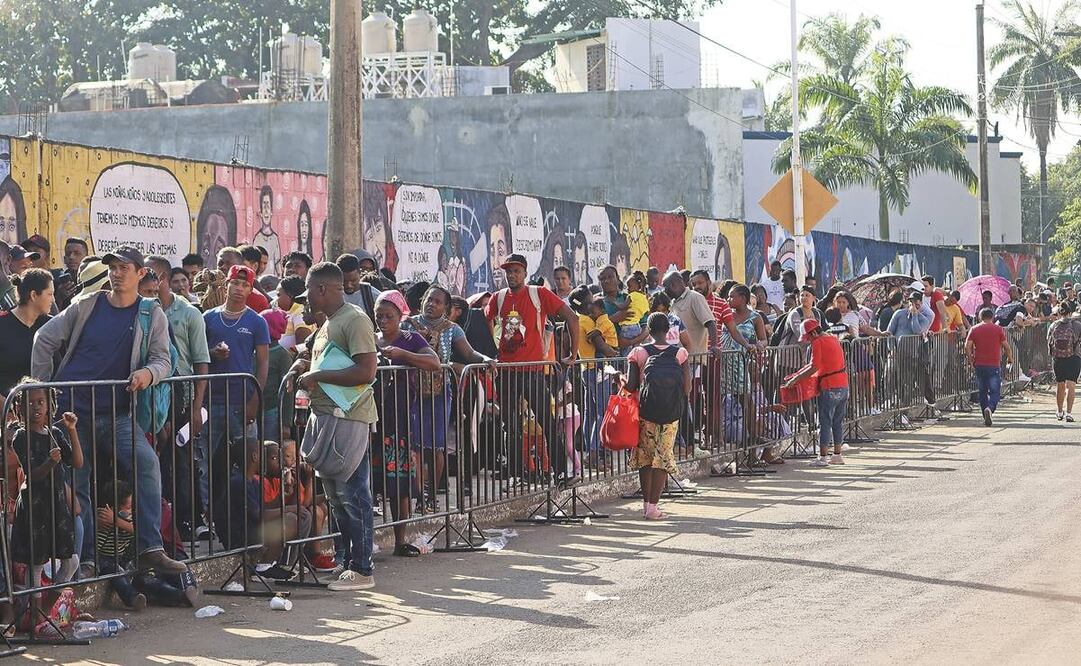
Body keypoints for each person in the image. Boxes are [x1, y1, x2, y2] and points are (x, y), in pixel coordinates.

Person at [31, 245, 185, 575]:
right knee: (79, 483)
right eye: (112, 267)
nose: (116, 273)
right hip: (72, 414)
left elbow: (164, 361)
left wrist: (147, 374)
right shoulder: (87, 305)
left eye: (124, 268)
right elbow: (44, 338)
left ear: (140, 273)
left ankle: (150, 548)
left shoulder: (150, 312)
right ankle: (85, 560)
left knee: (147, 465)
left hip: (118, 413)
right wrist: (42, 388)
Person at [293, 262, 378, 590]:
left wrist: (317, 375)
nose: (307, 300)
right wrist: (305, 365)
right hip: (327, 416)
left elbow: (366, 371)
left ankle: (362, 568)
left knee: (354, 494)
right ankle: (346, 561)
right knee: (336, 497)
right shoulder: (328, 323)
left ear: (323, 289)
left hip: (350, 417)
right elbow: (326, 361)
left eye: (310, 292)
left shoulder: (354, 319)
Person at [484, 253, 579, 487]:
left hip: (534, 370)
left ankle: (560, 473)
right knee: (510, 424)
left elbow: (571, 317)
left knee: (547, 421)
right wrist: (494, 348)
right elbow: (487, 317)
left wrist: (573, 353)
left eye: (516, 271)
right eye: (508, 271)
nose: (512, 275)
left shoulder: (538, 294)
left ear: (525, 273)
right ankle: (517, 474)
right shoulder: (499, 297)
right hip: (507, 371)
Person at [196, 264, 269, 543]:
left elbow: (262, 364)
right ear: (225, 285)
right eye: (234, 284)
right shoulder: (208, 318)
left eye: (245, 285)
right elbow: (199, 356)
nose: (239, 289)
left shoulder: (256, 322)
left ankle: (248, 516)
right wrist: (214, 354)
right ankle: (205, 516)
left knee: (248, 461)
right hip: (211, 401)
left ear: (251, 289)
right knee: (204, 461)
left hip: (242, 402)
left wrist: (255, 400)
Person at [405, 285, 492, 509]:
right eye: (429, 299)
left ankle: (432, 495)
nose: (431, 304)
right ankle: (418, 497)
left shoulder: (452, 329)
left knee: (436, 446)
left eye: (437, 301)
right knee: (413, 446)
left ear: (445, 308)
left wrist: (486, 360)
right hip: (410, 391)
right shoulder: (407, 324)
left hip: (439, 392)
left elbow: (470, 353)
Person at [9, 382, 83, 587]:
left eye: (40, 402)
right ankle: (34, 611)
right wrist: (50, 462)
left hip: (56, 505)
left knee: (71, 560)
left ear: (49, 404)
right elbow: (31, 476)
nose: (36, 407)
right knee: (37, 564)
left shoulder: (55, 433)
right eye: (30, 403)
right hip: (35, 506)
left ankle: (51, 602)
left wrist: (72, 430)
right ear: (20, 407)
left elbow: (77, 462)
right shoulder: (21, 436)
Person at [624, 313, 690, 520]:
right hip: (670, 414)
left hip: (646, 413)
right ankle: (654, 507)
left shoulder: (638, 352)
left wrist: (617, 380)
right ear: (668, 329)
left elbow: (631, 386)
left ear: (649, 330)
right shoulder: (680, 353)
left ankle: (646, 505)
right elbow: (687, 387)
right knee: (663, 457)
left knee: (645, 457)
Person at [782, 319, 849, 467]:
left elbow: (814, 366)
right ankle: (837, 455)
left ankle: (823, 457)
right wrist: (798, 375)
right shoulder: (833, 338)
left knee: (825, 422)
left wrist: (795, 379)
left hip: (829, 386)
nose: (809, 341)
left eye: (809, 338)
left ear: (813, 332)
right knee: (837, 421)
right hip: (843, 385)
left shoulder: (818, 342)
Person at [0, 269, 53, 400]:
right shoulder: (3, 324)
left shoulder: (52, 325)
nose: (53, 299)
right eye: (50, 294)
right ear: (34, 295)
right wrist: (7, 408)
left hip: (43, 414)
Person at [963, 307, 1015, 426]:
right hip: (994, 364)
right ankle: (990, 408)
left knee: (982, 390)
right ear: (992, 317)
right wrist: (1010, 359)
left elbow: (967, 346)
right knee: (995, 390)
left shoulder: (974, 329)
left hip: (979, 364)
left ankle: (985, 411)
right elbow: (1006, 346)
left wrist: (971, 359)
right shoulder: (998, 329)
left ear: (980, 317)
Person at [261, 308, 293, 442]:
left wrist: (286, 423)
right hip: (254, 410)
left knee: (270, 449)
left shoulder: (282, 355)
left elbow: (288, 390)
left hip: (272, 412)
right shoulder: (255, 350)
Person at [1047, 302, 1081, 422]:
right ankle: (1069, 413)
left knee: (1060, 385)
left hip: (1058, 358)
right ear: (1070, 312)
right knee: (1071, 385)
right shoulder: (1077, 325)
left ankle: (1060, 411)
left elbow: (1049, 342)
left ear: (1059, 313)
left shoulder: (1053, 325)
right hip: (1074, 357)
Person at [276, 275, 311, 351]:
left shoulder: (300, 312)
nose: (276, 300)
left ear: (290, 295)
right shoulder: (289, 312)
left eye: (279, 295)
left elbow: (302, 348)